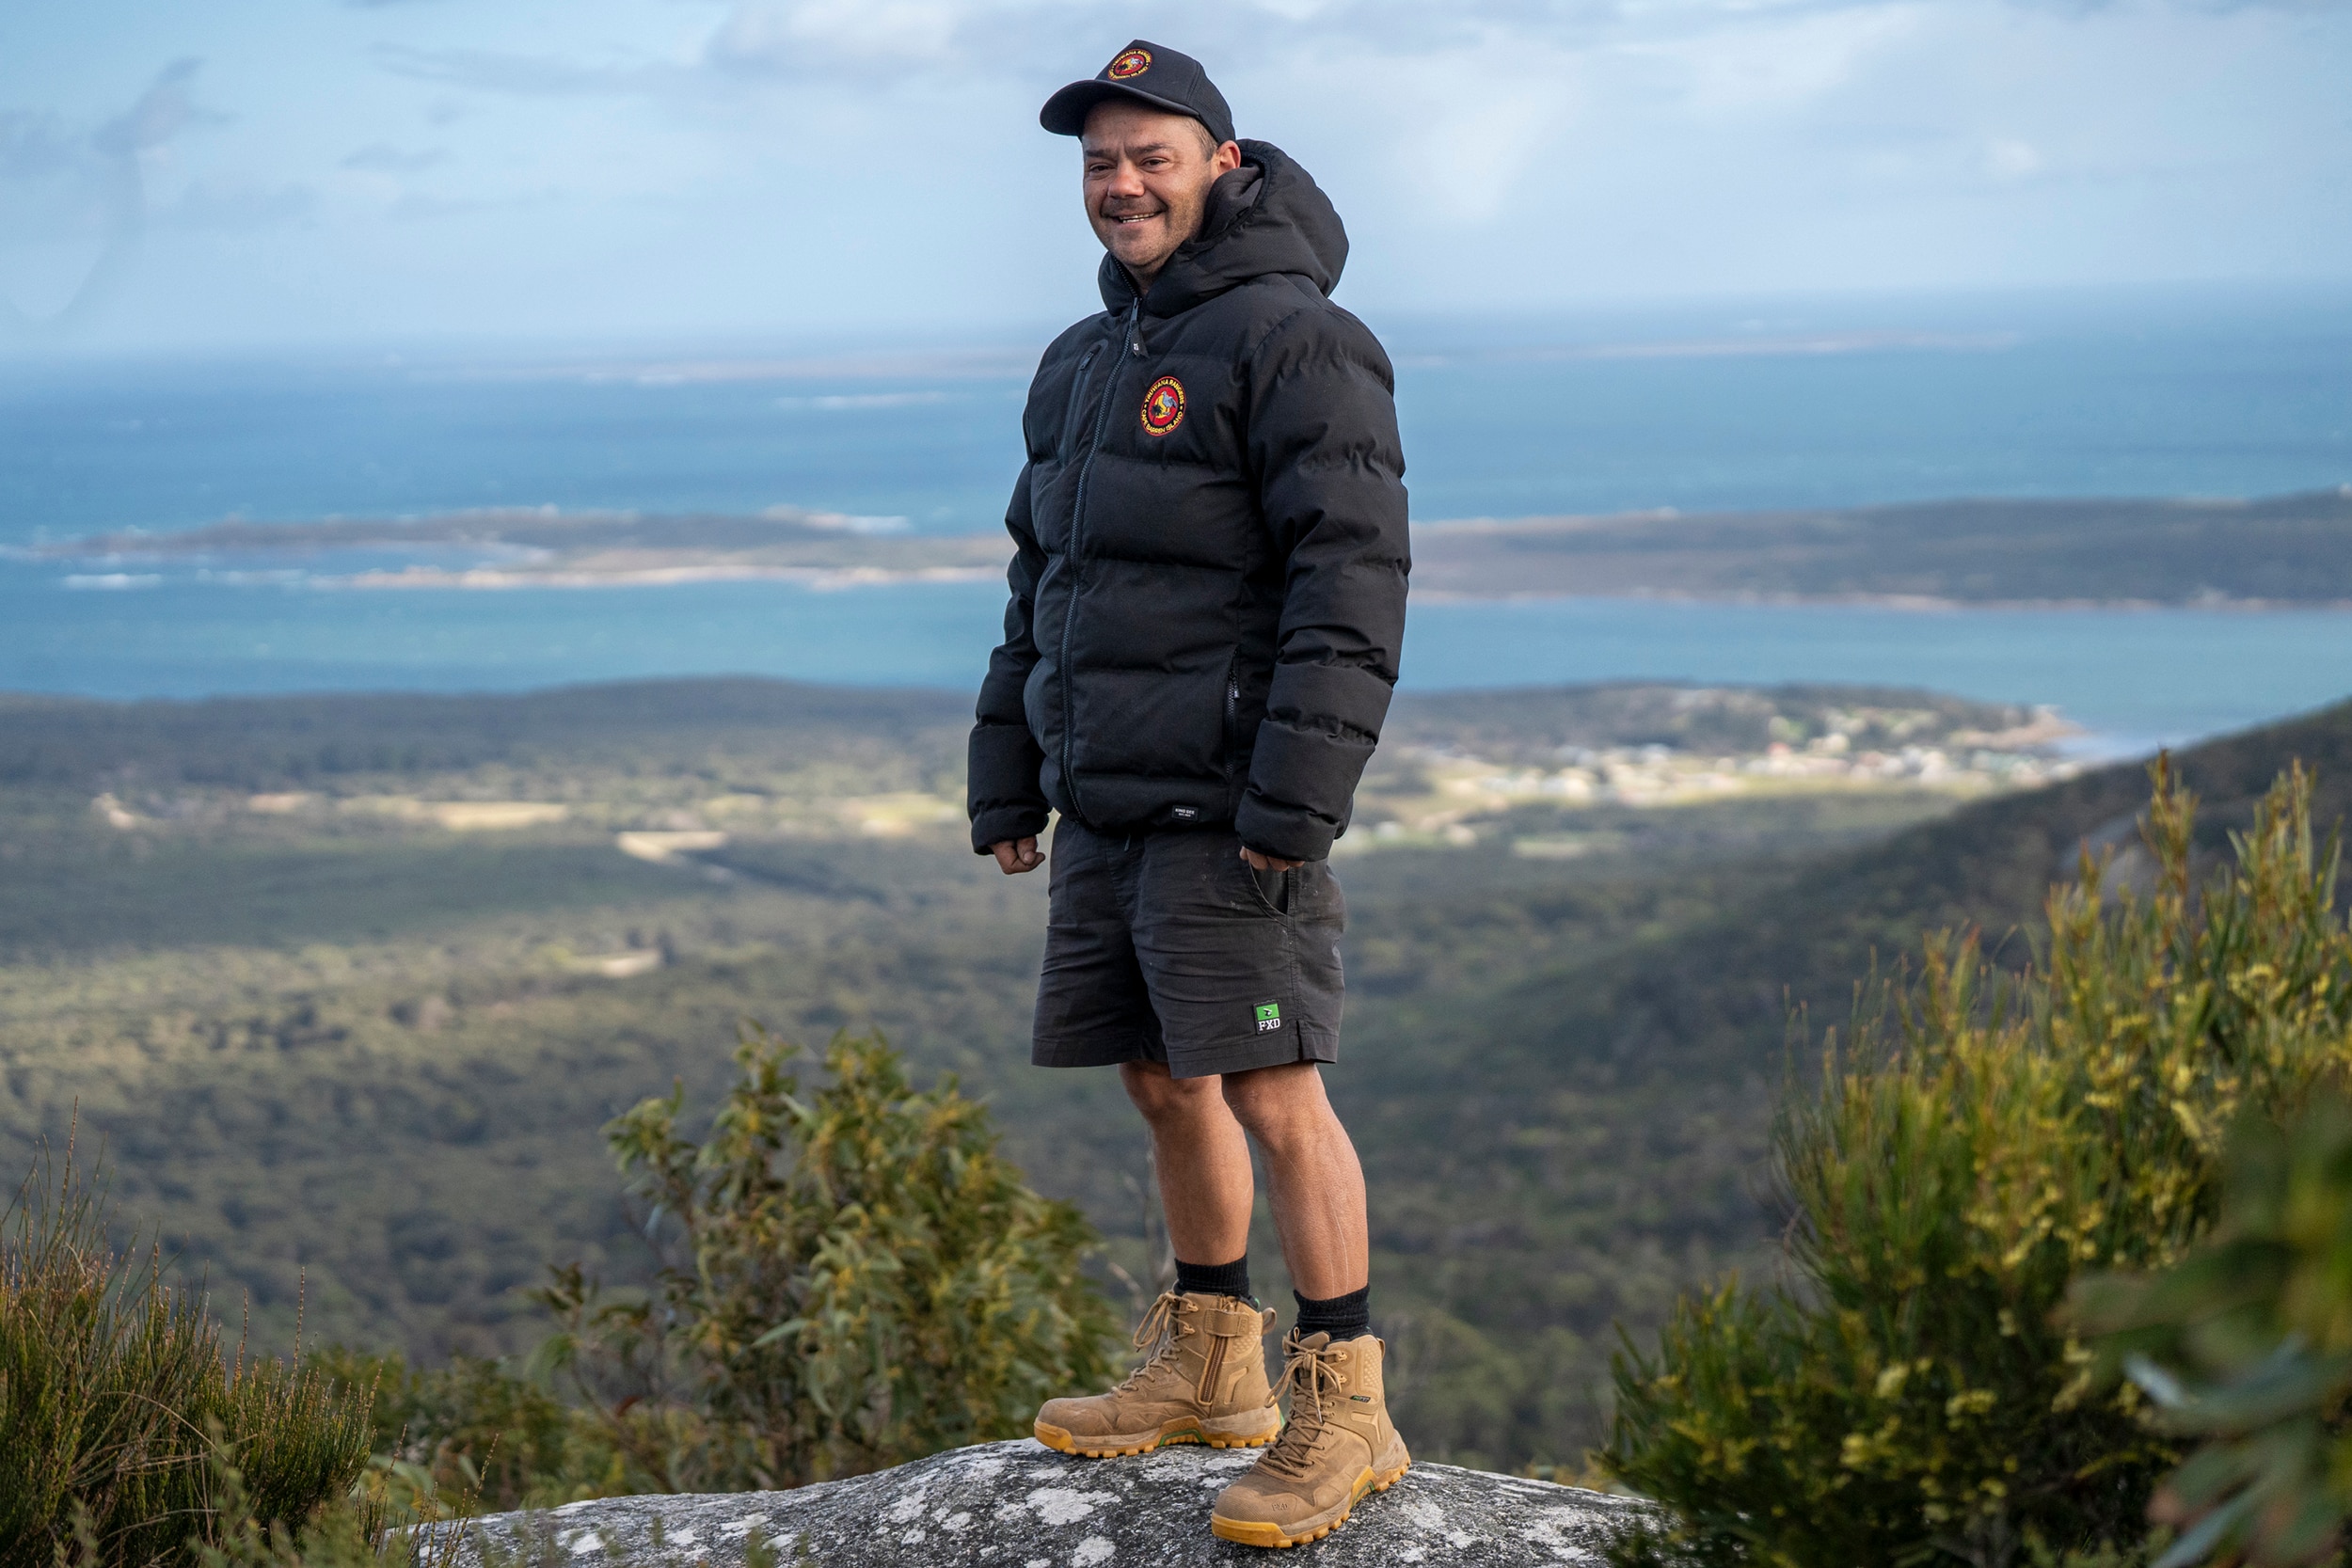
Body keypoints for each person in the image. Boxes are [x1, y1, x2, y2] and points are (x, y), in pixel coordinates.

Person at [965, 39, 1412, 1550]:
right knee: (1160, 1080)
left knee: (1279, 1092)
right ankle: (1212, 1359)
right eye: (1100, 162)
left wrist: (1298, 799)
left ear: (1223, 162)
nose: (1121, 184)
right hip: (1107, 796)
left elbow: (1351, 585)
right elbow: (1048, 583)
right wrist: (1008, 764)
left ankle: (1342, 1403)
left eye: (1151, 156)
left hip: (1233, 804)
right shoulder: (1084, 360)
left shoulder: (1298, 338)